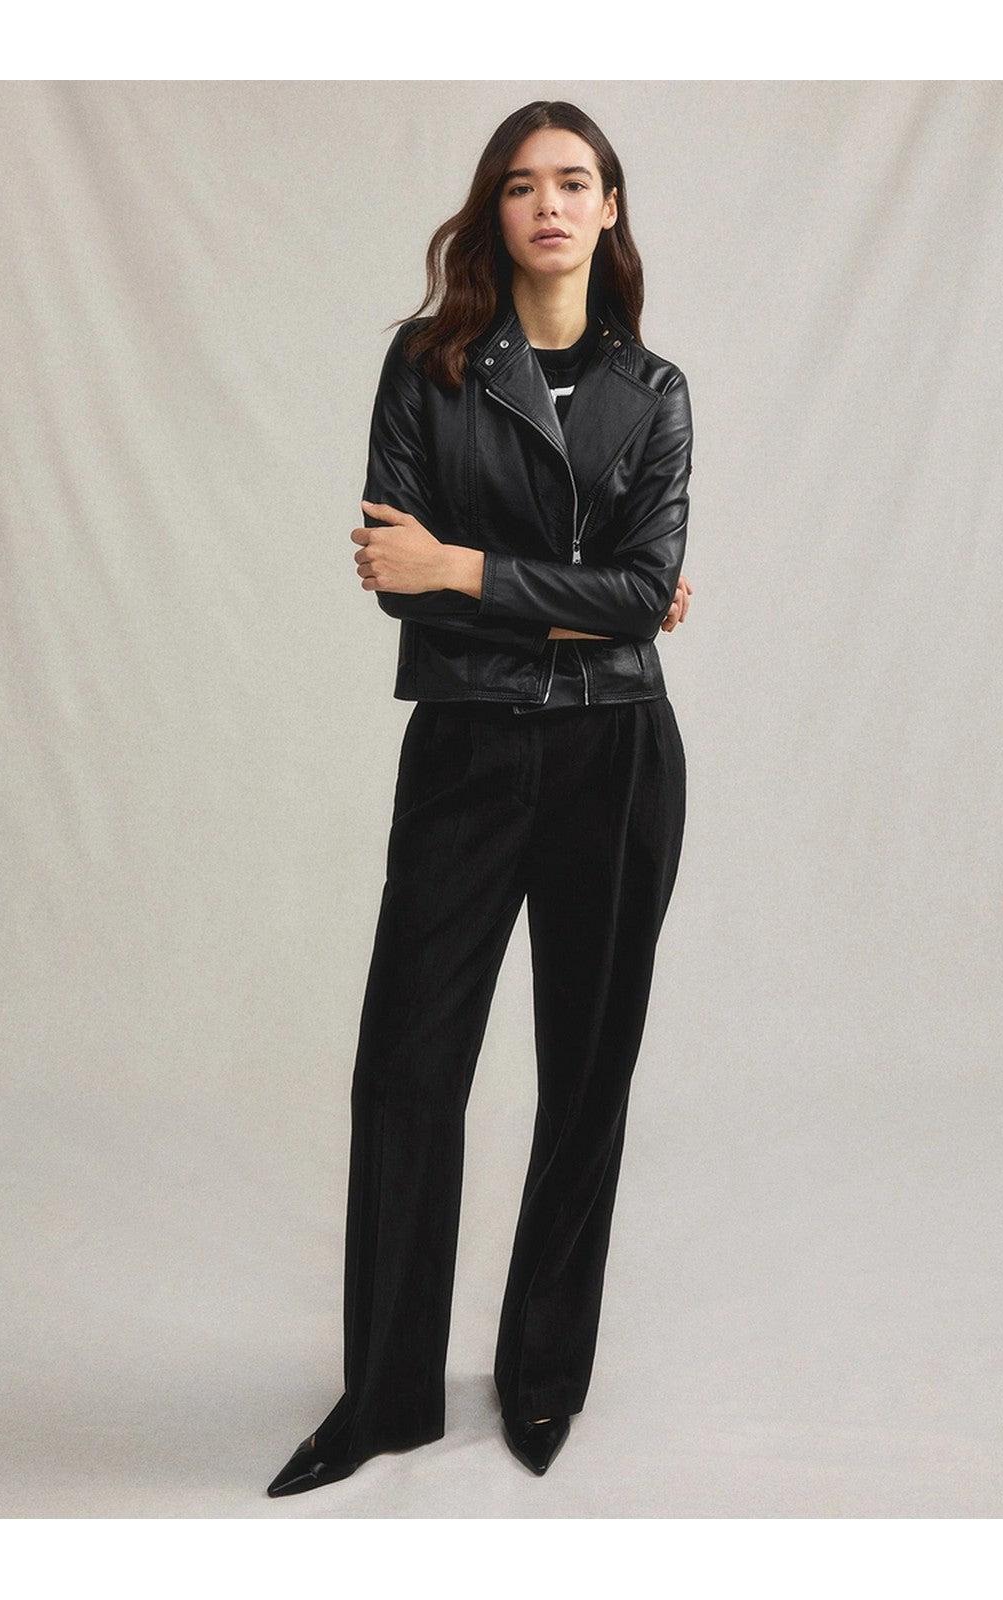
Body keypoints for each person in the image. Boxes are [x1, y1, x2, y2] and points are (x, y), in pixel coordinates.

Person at [267, 99, 694, 1497]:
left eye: (574, 181)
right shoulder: (428, 367)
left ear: (610, 208)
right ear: (494, 212)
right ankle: (384, 1400)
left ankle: (543, 1378)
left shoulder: (656, 392)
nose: (548, 204)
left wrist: (469, 569)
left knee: (588, 1073)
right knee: (407, 1071)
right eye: (521, 185)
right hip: (466, 751)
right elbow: (400, 577)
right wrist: (585, 600)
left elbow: (630, 594)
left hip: (618, 759)